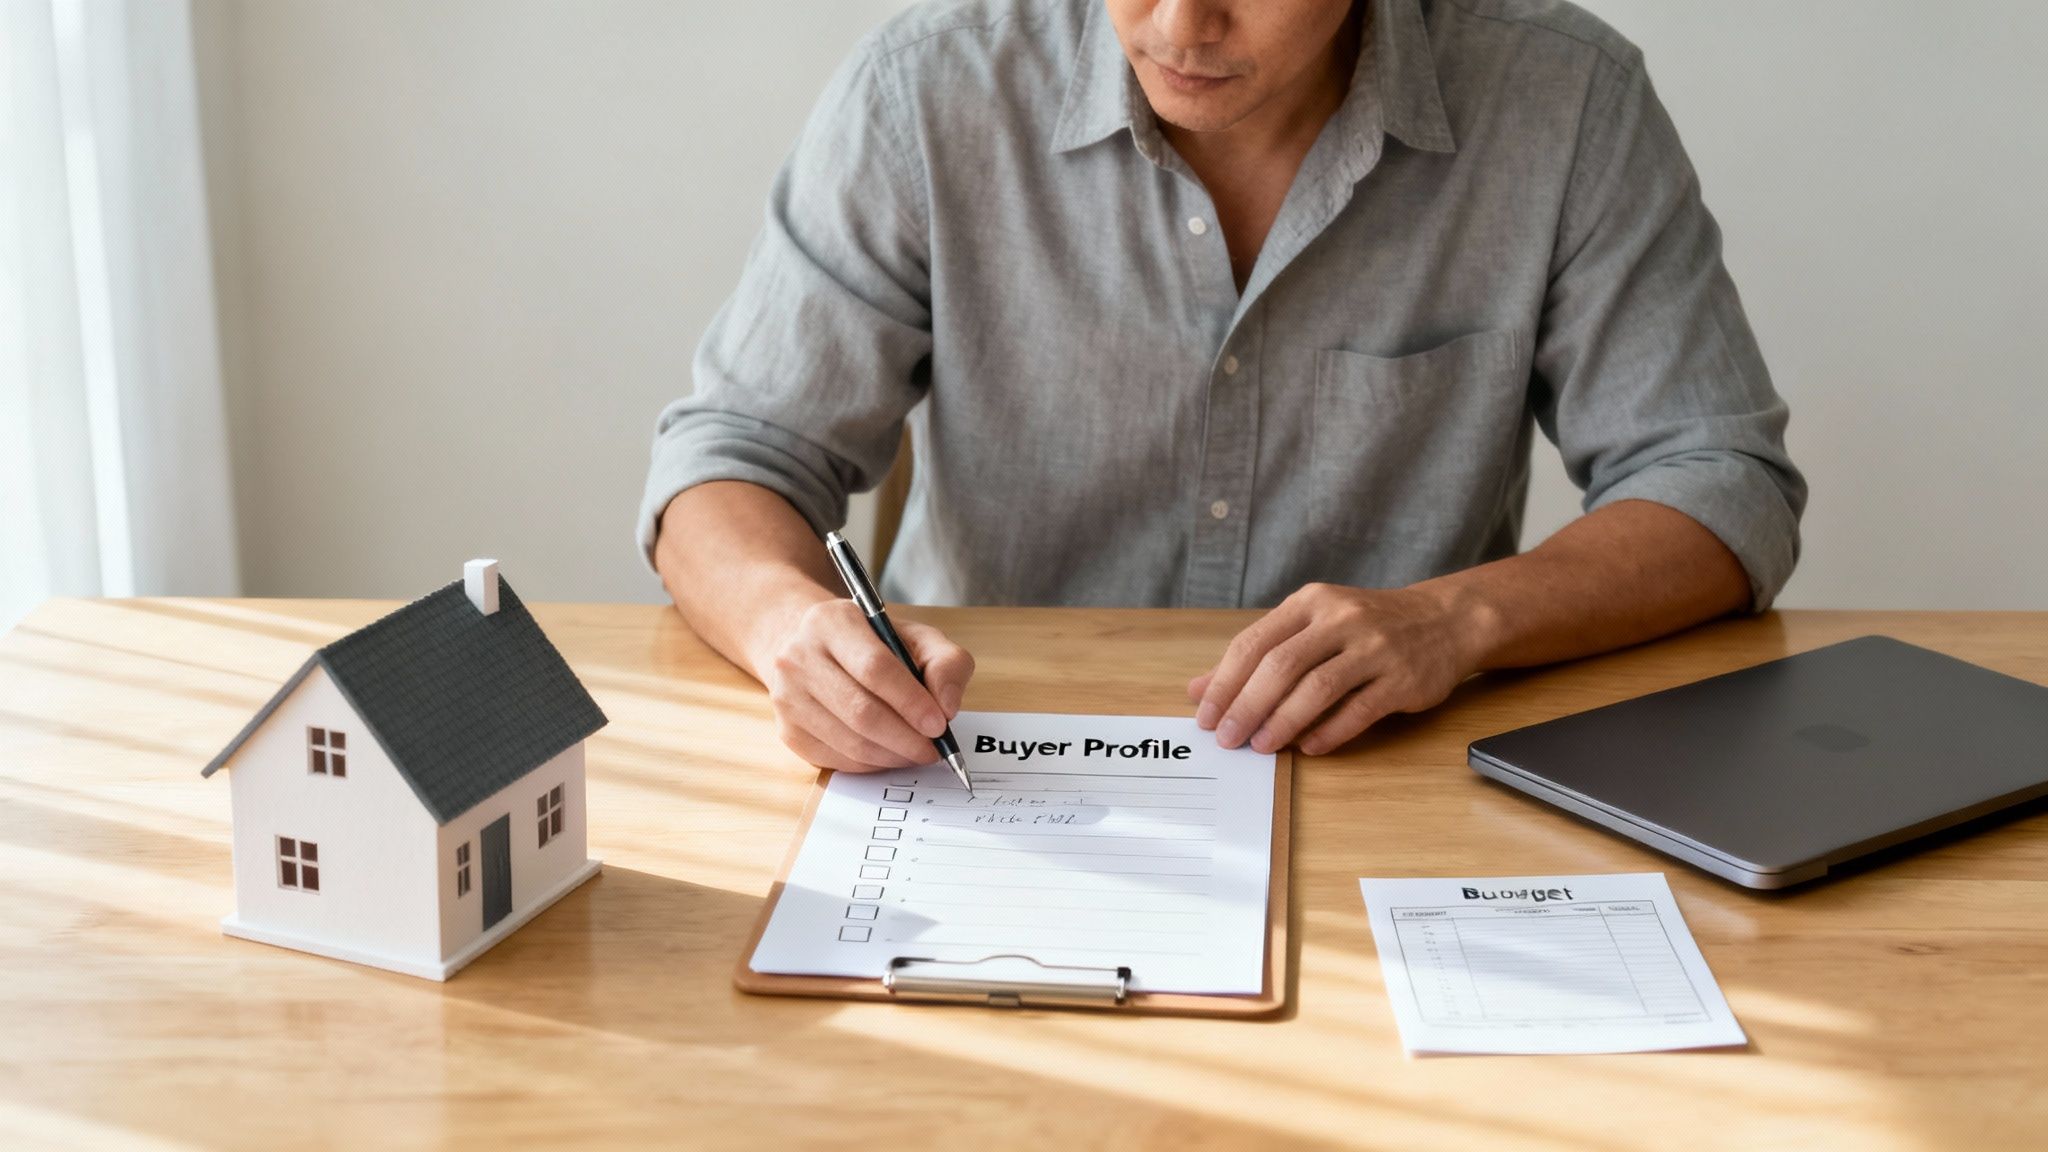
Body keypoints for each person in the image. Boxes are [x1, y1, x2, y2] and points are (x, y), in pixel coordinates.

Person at [639, 0, 1805, 771]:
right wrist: (789, 626)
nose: (1182, 24)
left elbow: (1717, 483)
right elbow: (732, 454)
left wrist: (1457, 619)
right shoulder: (926, 88)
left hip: (1382, 770)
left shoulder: (1563, 97)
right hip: (975, 758)